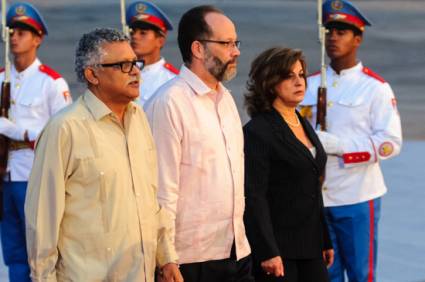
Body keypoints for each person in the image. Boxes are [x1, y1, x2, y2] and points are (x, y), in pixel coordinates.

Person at [24, 28, 182, 282]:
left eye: (135, 62)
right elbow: (42, 222)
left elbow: (151, 198)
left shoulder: (139, 118)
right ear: (92, 74)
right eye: (123, 65)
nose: (135, 71)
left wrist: (167, 257)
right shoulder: (65, 129)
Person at [145, 5, 253, 282]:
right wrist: (165, 258)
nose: (236, 51)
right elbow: (161, 189)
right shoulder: (169, 103)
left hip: (236, 250)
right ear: (198, 49)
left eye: (236, 42)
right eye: (226, 43)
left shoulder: (226, 99)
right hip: (190, 260)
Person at [300, 1, 402, 281]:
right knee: (324, 275)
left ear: (358, 38)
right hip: (316, 198)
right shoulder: (307, 84)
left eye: (342, 31)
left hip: (357, 195)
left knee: (360, 274)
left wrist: (341, 147)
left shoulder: (375, 88)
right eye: (330, 30)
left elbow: (390, 142)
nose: (334, 37)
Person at [243, 47, 334, 282]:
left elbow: (313, 184)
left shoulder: (302, 122)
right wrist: (267, 251)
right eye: (289, 76)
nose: (299, 81)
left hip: (311, 246)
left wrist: (324, 238)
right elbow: (254, 196)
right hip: (279, 251)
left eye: (301, 74)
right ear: (270, 82)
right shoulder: (258, 131)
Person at [0, 2, 71, 281]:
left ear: (38, 38)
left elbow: (64, 134)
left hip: (34, 175)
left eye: (23, 32)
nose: (15, 37)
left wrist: (18, 132)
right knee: (13, 253)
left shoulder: (52, 83)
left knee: (39, 253)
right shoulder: (2, 79)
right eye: (12, 31)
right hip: (5, 175)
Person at [126, 1, 179, 107]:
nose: (135, 37)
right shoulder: (122, 74)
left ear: (160, 41)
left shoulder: (172, 80)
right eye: (132, 33)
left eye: (143, 33)